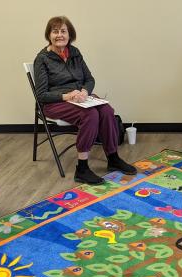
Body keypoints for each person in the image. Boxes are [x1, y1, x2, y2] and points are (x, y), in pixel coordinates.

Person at [33, 16, 136, 185]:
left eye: (63, 31)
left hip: (80, 98)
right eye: (55, 31)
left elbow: (89, 78)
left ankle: (113, 158)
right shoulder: (42, 59)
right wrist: (68, 96)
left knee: (106, 110)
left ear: (69, 34)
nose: (60, 35)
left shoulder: (74, 53)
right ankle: (82, 168)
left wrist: (84, 91)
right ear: (49, 35)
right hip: (55, 103)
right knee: (90, 115)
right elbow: (41, 95)